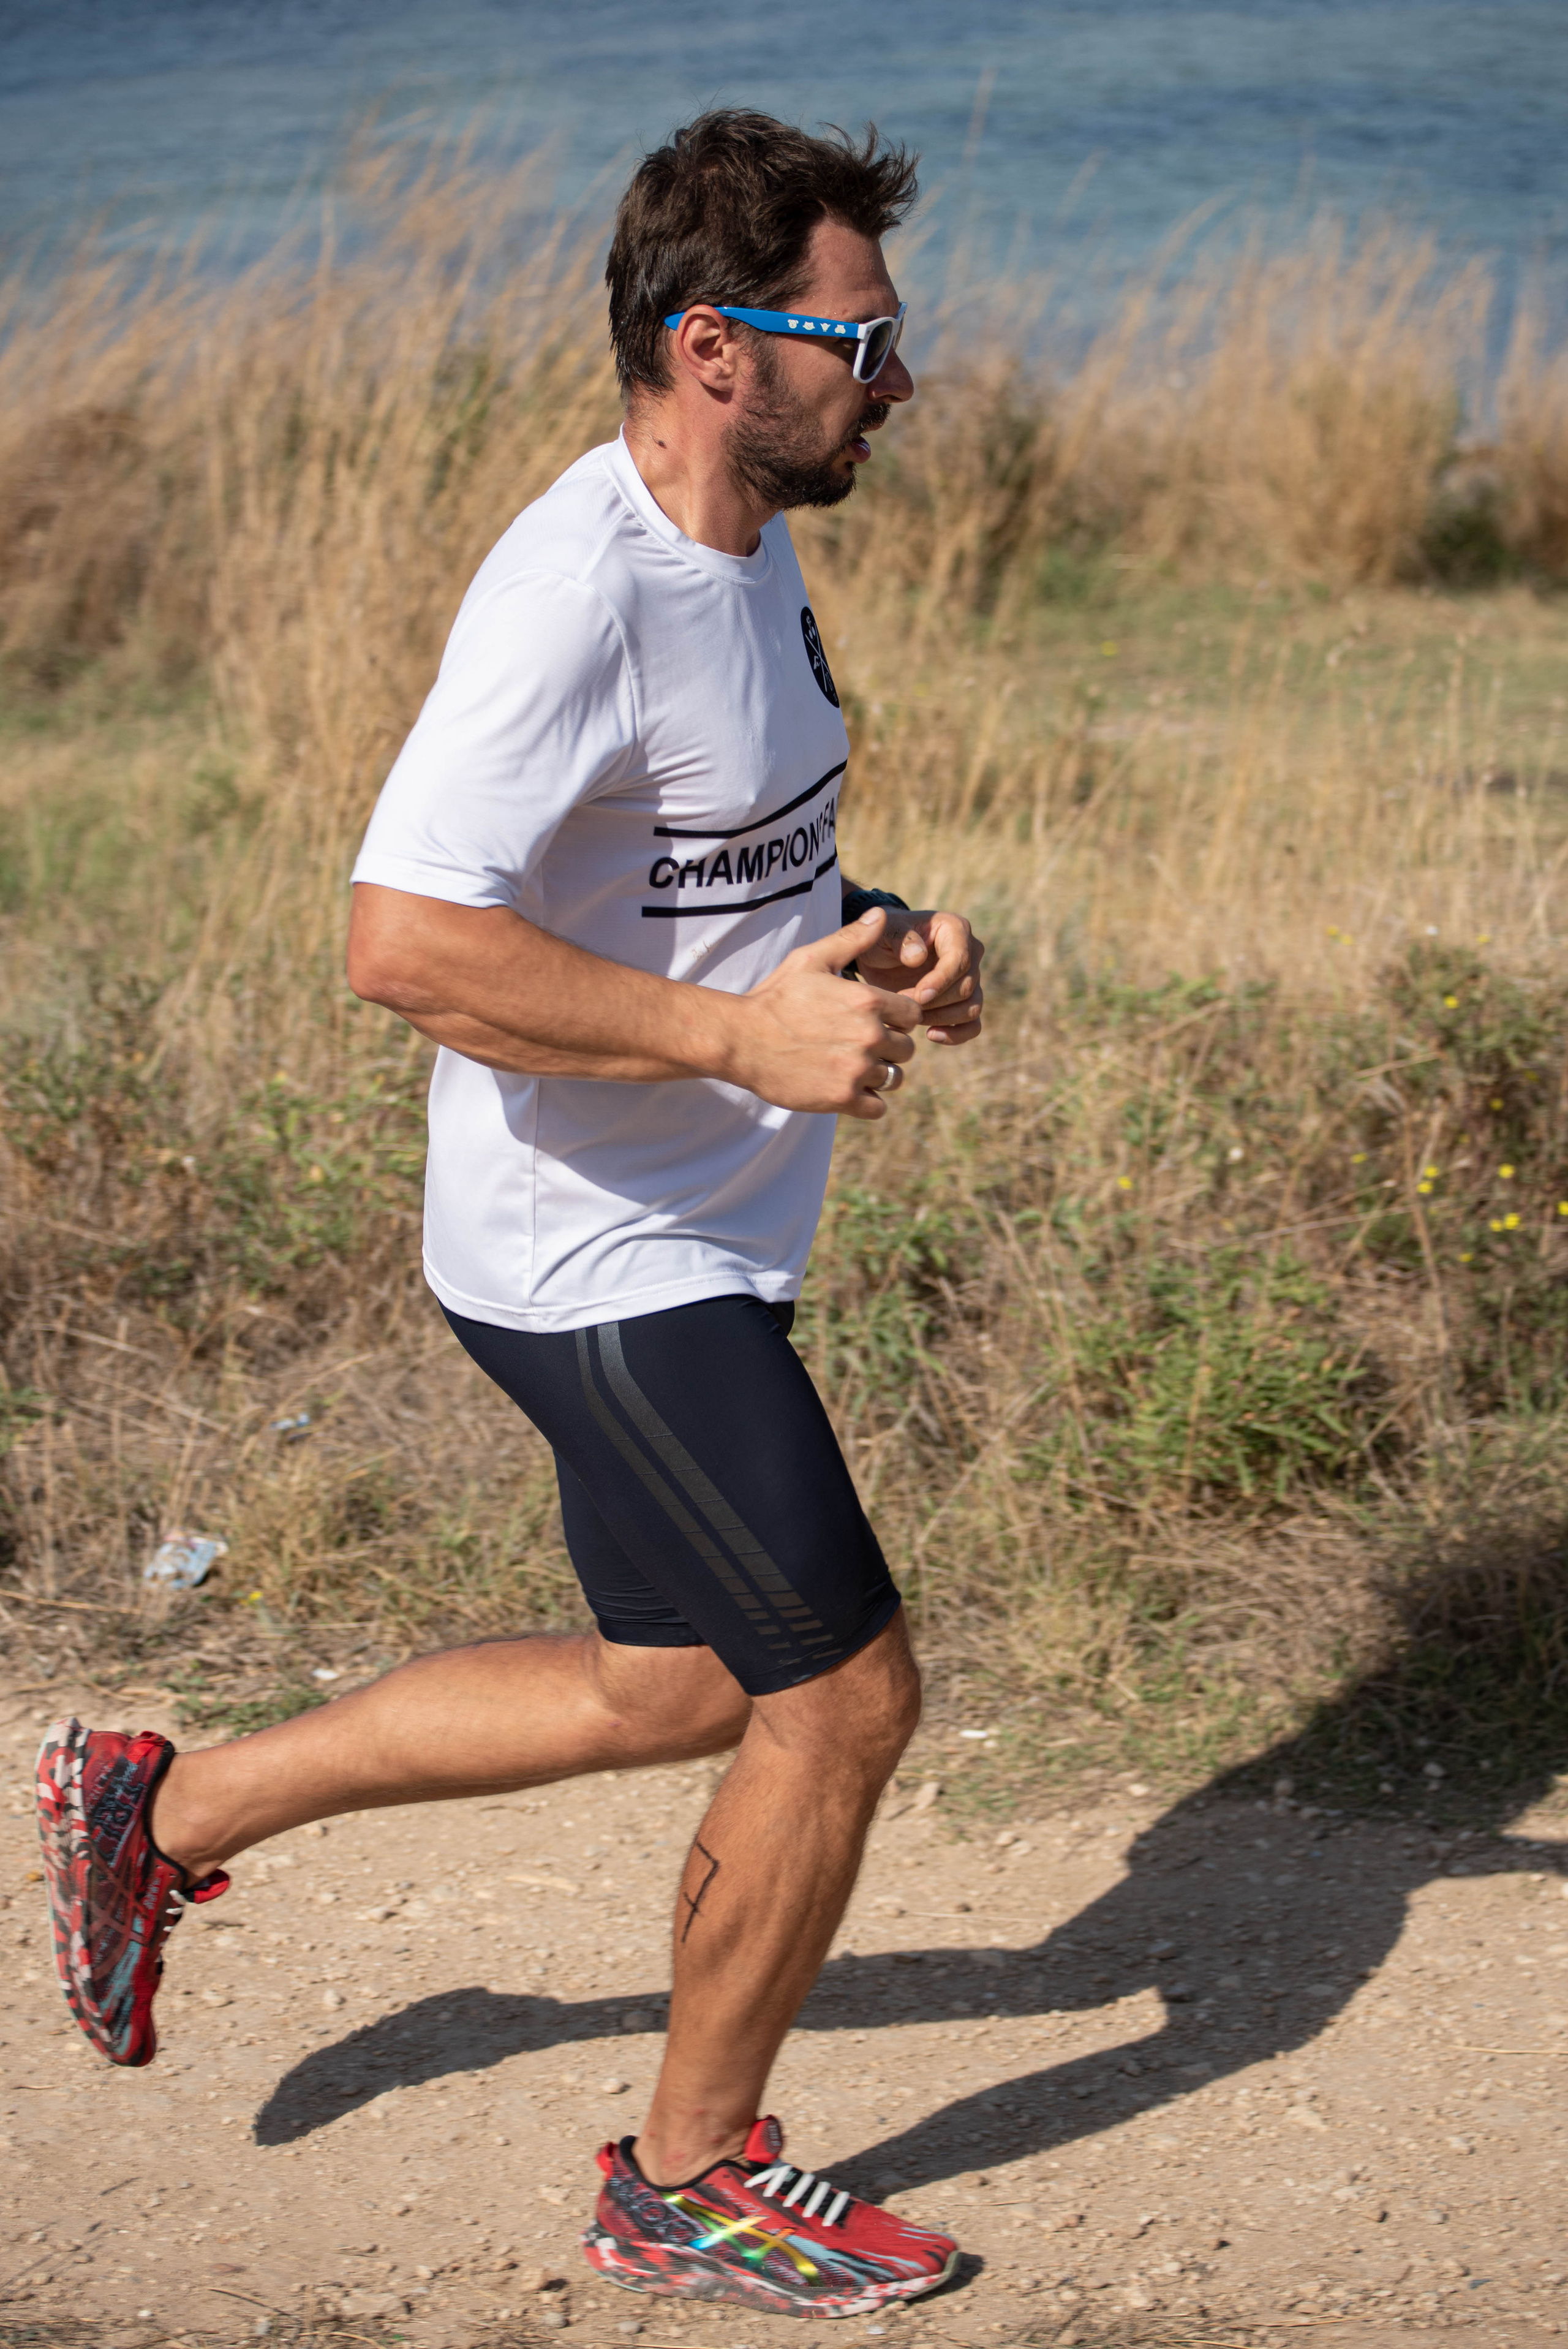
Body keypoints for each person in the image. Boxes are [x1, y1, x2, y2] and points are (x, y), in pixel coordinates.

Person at [36, 109, 985, 2321]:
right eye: (864, 335)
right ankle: (690, 2172)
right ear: (714, 349)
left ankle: (154, 1809)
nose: (899, 376)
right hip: (597, 1254)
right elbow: (397, 940)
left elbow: (718, 863)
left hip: (695, 1231)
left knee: (674, 1686)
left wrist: (888, 933)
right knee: (838, 1702)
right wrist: (744, 1050)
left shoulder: (746, 547)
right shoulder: (575, 589)